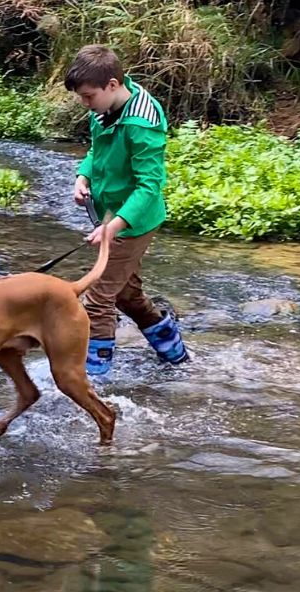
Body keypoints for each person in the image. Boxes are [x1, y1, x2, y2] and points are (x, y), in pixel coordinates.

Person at [65, 44, 189, 376]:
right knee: (127, 296)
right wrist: (83, 175)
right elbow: (96, 151)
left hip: (132, 224)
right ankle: (175, 354)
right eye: (81, 97)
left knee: (98, 300)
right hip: (108, 214)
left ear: (112, 85)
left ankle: (94, 381)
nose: (85, 104)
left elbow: (150, 185)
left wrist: (115, 226)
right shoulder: (102, 109)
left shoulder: (142, 122)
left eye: (89, 97)